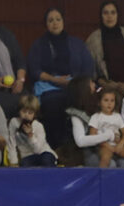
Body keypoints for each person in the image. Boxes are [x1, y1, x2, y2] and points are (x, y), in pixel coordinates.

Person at [27, 7, 94, 148]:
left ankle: (80, 147)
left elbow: (88, 67)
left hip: (74, 85)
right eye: (50, 20)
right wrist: (55, 79)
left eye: (58, 19)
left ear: (63, 22)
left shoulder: (77, 43)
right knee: (53, 103)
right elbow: (34, 70)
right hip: (49, 86)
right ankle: (56, 148)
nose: (55, 23)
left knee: (83, 99)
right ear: (46, 24)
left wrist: (76, 83)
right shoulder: (38, 44)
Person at [85, 0, 124, 99]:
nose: (109, 16)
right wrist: (113, 86)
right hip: (108, 92)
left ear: (118, 15)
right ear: (101, 16)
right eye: (106, 13)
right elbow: (93, 73)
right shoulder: (93, 39)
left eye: (113, 12)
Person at [65, 74, 123, 167]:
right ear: (84, 89)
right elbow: (80, 141)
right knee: (111, 165)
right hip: (88, 152)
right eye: (91, 83)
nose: (94, 85)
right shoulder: (76, 114)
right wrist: (108, 135)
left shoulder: (98, 107)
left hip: (109, 146)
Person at [90, 86, 124, 168]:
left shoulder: (117, 116)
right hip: (103, 146)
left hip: (117, 145)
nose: (109, 103)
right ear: (99, 102)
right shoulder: (96, 117)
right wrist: (107, 145)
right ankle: (101, 176)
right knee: (105, 158)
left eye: (112, 100)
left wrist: (121, 144)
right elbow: (92, 135)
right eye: (106, 100)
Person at [6, 93, 56, 167]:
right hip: (27, 156)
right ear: (19, 111)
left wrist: (30, 135)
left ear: (34, 114)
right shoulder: (14, 122)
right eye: (24, 111)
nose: (26, 115)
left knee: (46, 160)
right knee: (24, 164)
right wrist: (13, 162)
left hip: (43, 153)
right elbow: (11, 143)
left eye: (30, 113)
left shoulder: (38, 126)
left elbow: (38, 150)